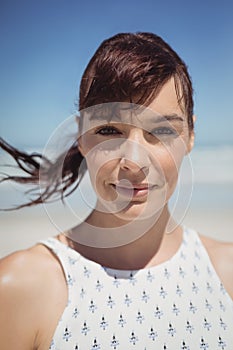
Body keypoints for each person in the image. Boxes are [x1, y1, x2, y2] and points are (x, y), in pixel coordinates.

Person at [0, 32, 232, 350]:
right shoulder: (20, 287)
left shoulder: (227, 275)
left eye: (161, 130)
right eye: (109, 130)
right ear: (81, 136)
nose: (134, 161)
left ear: (190, 136)